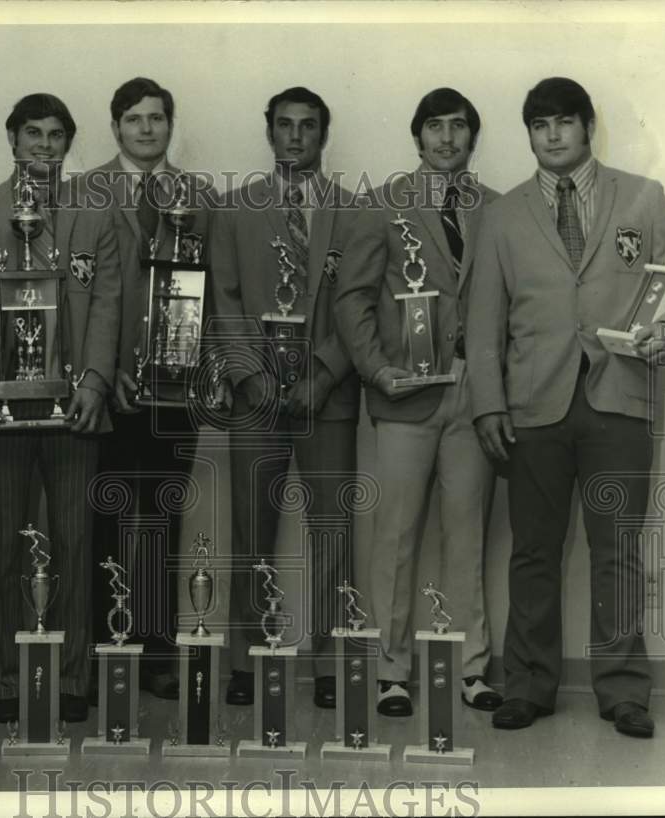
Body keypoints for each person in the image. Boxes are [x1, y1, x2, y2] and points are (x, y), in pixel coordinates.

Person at [466, 77, 665, 738]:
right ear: (530, 134)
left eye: (564, 122)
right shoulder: (503, 216)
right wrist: (488, 404)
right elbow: (482, 322)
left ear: (587, 126)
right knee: (533, 552)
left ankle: (624, 689)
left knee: (618, 549)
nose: (552, 134)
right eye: (539, 124)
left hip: (620, 400)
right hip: (533, 406)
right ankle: (530, 685)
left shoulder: (643, 197)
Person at [334, 87, 503, 718]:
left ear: (472, 138)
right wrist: (376, 370)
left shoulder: (497, 209)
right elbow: (351, 299)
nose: (447, 138)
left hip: (473, 395)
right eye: (435, 126)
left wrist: (497, 389)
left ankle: (473, 669)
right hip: (404, 394)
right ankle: (391, 670)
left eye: (460, 127)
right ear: (417, 135)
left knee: (469, 535)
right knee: (396, 536)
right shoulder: (384, 206)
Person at [0, 93, 121, 725]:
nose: (45, 146)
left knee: (77, 543)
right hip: (0, 407)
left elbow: (107, 302)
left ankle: (74, 676)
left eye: (56, 136)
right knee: (1, 544)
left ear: (68, 144)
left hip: (74, 409)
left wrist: (97, 382)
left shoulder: (96, 216)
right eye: (33, 134)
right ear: (12, 139)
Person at [210, 86, 359, 709]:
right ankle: (250, 657)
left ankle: (328, 661)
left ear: (323, 135)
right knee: (252, 525)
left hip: (329, 393)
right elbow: (227, 301)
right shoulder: (235, 209)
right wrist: (253, 378)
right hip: (257, 396)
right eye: (284, 126)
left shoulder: (355, 211)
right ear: (268, 132)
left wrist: (320, 374)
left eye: (308, 126)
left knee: (332, 526)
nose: (295, 137)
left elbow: (361, 307)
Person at [84, 78, 213, 701]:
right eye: (133, 119)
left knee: (162, 521)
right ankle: (107, 647)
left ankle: (160, 651)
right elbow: (81, 297)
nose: (145, 129)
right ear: (114, 127)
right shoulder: (83, 194)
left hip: (173, 391)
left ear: (170, 124)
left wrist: (186, 371)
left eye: (156, 118)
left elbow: (212, 293)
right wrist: (105, 372)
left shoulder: (201, 197)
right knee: (104, 521)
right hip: (106, 391)